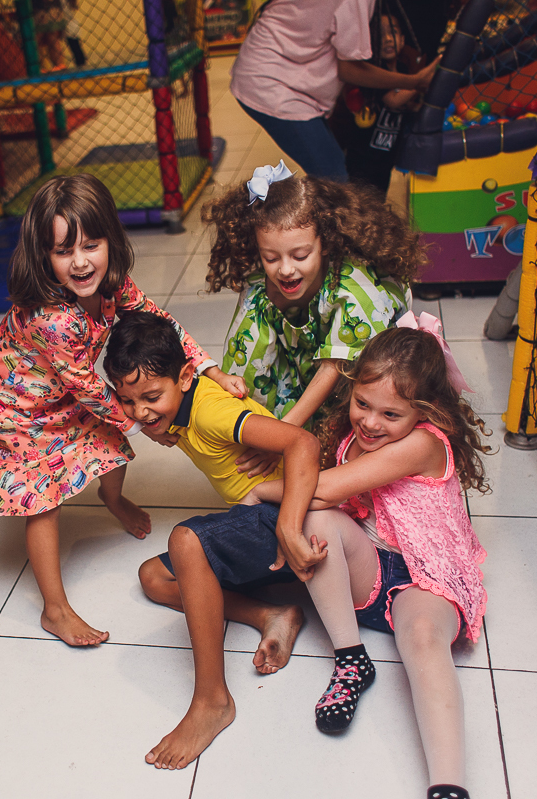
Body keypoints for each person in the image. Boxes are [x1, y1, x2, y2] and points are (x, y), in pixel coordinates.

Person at [0, 174, 243, 647]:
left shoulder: (113, 284)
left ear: (111, 239)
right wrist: (142, 424)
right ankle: (55, 610)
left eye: (91, 244)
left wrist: (210, 370)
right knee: (43, 502)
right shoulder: (52, 320)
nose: (81, 261)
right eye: (63, 251)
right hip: (19, 406)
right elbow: (90, 389)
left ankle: (111, 498)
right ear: (43, 257)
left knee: (109, 442)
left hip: (63, 387)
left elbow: (160, 323)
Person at [244, 316, 492, 799]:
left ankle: (448, 785)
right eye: (362, 403)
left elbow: (327, 487)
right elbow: (324, 502)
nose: (370, 422)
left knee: (422, 639)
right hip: (370, 571)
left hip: (427, 579)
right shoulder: (354, 437)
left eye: (390, 415)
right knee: (315, 522)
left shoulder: (422, 443)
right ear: (352, 389)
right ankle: (351, 658)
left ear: (425, 413)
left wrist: (262, 490)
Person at [102, 311, 325, 770]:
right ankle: (274, 614)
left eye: (150, 397)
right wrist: (165, 424)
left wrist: (287, 527)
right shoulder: (178, 408)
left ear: (185, 377)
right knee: (155, 578)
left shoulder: (214, 411)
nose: (140, 413)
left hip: (292, 517)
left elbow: (304, 444)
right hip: (260, 512)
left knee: (187, 542)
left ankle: (212, 701)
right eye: (127, 401)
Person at [203, 166, 421, 447]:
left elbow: (335, 367)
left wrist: (283, 437)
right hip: (307, 359)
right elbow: (245, 362)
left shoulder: (354, 288)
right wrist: (252, 430)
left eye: (300, 255)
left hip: (356, 364)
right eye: (270, 257)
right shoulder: (260, 292)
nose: (285, 269)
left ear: (326, 243)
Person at [228, 0, 438, 179]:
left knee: (332, 172)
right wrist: (413, 81)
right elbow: (349, 70)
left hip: (280, 78)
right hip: (272, 83)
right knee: (333, 179)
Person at [331, 12, 422, 193]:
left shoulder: (403, 71)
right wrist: (419, 83)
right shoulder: (376, 74)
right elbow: (393, 101)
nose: (387, 39)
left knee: (380, 193)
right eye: (380, 35)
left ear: (402, 40)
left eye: (393, 33)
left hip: (386, 152)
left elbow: (402, 106)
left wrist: (415, 106)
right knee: (360, 196)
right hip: (363, 154)